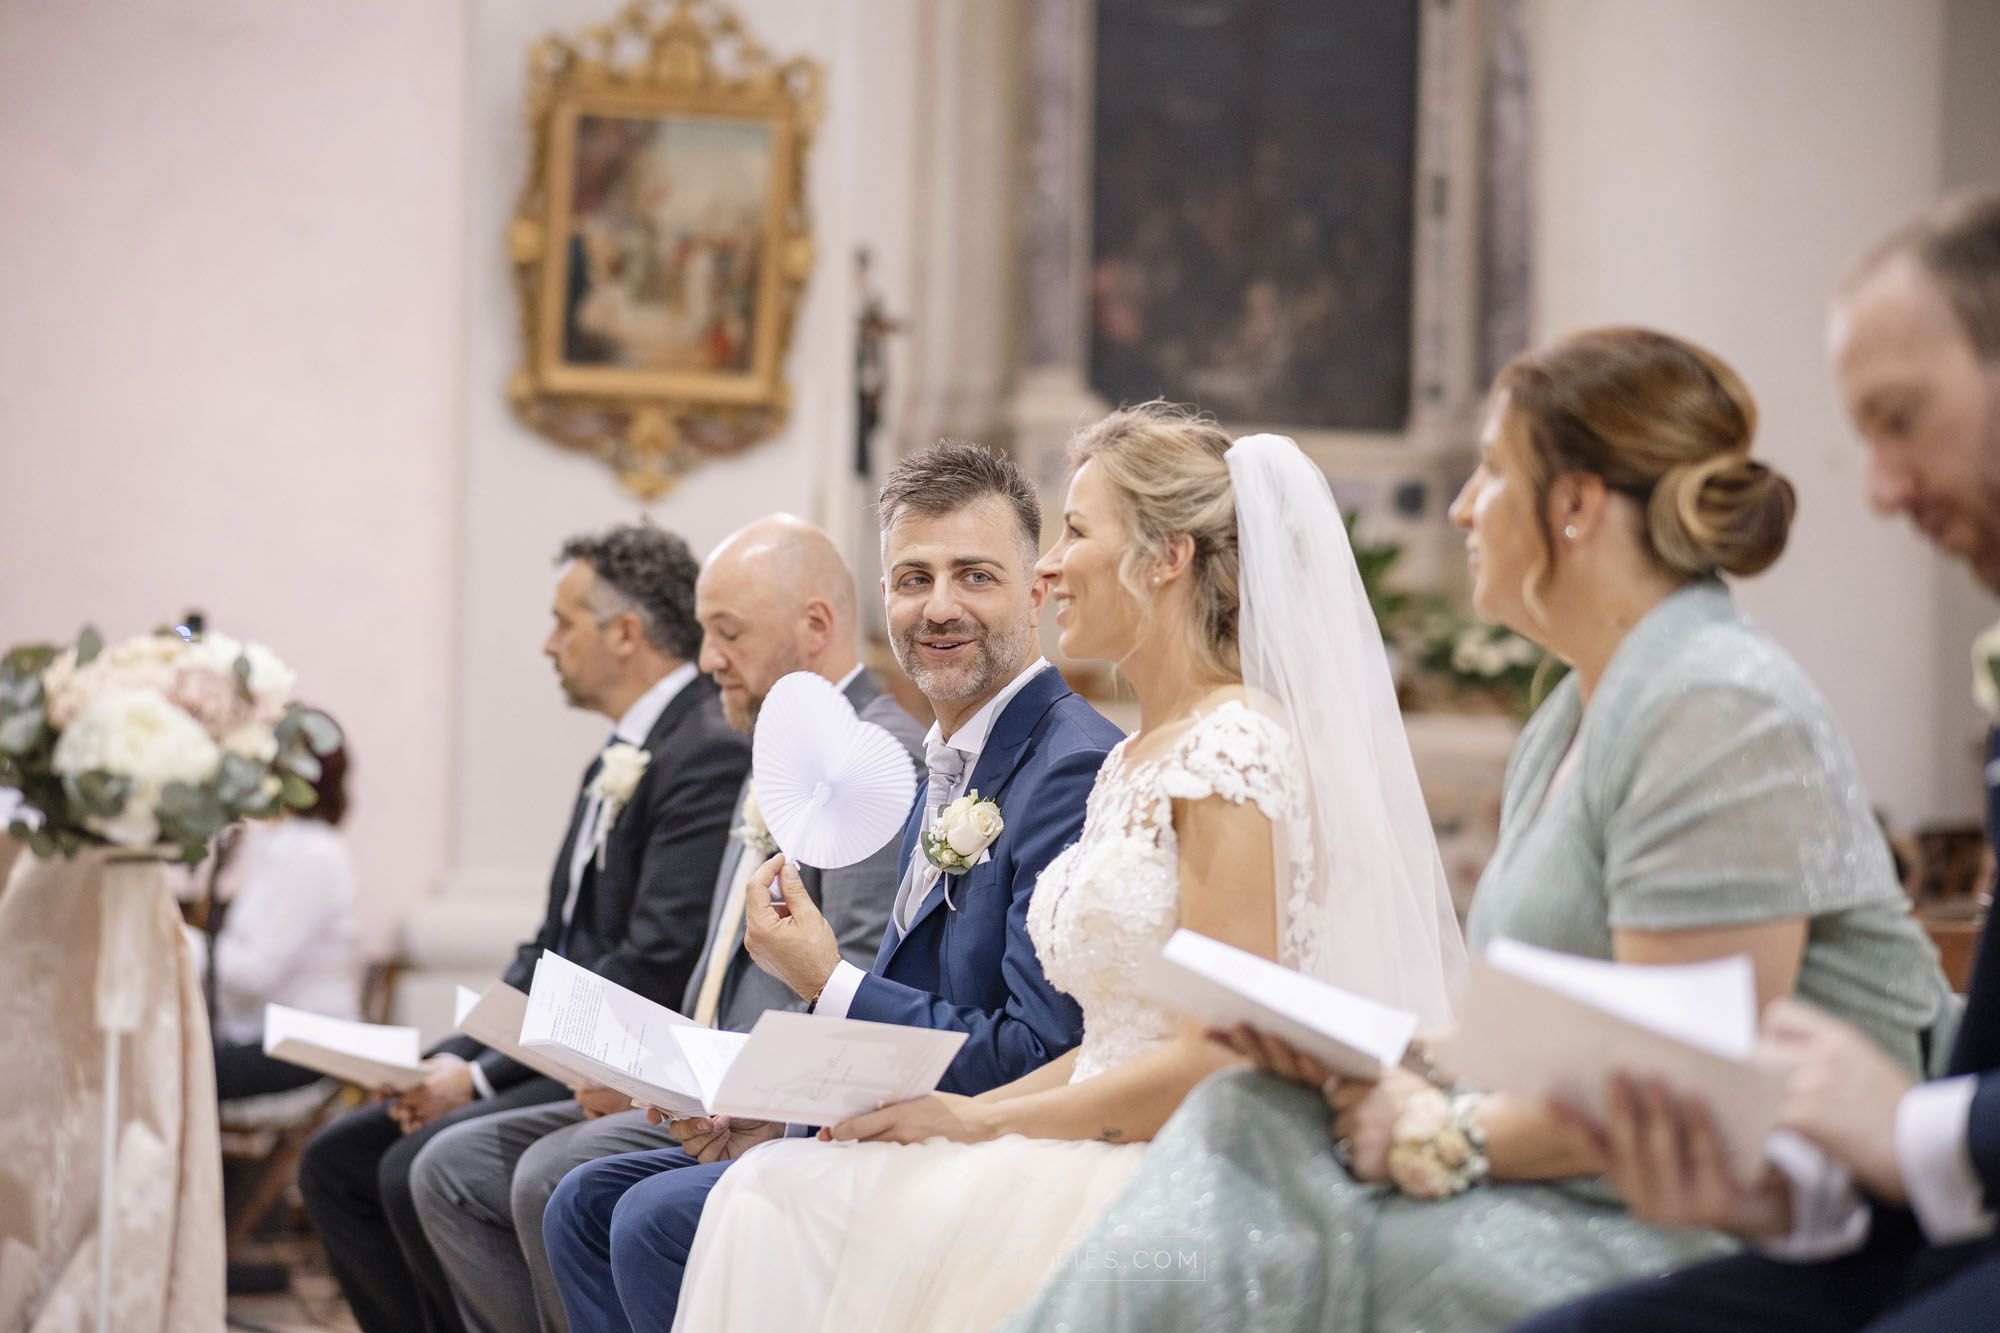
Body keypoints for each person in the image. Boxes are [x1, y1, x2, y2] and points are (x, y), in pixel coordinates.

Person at [1006, 329, 1954, 1333]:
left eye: (1490, 474)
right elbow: (1550, 1038)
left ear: (1575, 505)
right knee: (1248, 1107)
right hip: (1584, 1172)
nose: (1461, 506)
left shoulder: (1713, 702)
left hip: (1730, 1224)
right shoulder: (1570, 710)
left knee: (1267, 1237)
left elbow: (1682, 1096)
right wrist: (1373, 1056)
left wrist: (1443, 1133)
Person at [658, 406, 1465, 1331]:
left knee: (773, 1206)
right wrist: (953, 1115)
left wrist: (978, 1121)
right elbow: (1112, 1037)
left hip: (1170, 1160)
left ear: (1165, 558)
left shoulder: (1232, 752)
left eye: (1076, 531)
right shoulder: (1134, 757)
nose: (1047, 565)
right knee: (771, 1193)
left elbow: (1215, 1055)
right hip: (1079, 1115)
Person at [1517, 194, 2000, 1331]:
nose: (1878, 489)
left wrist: (1913, 1130)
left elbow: (1936, 1121)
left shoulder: (1710, 698)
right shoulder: (1563, 709)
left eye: (1898, 418)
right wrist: (1782, 1194)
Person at [541, 441, 1127, 1331]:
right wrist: (776, 1111)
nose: (938, 606)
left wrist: (826, 977)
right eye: (912, 577)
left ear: (1036, 594)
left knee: (655, 1220)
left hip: (991, 1146)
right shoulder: (947, 760)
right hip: (887, 1118)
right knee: (584, 1200)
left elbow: (1029, 1048)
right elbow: (924, 998)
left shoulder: (1067, 765)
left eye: (974, 575)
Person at [406, 515, 921, 1333]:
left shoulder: (869, 758)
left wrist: (714, 1083)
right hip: (707, 1083)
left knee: (555, 1178)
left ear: (815, 626)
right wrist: (654, 1068)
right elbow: (713, 961)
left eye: (726, 633)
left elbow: (854, 974)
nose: (707, 658)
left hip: (770, 1101)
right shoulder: (776, 741)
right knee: (456, 1166)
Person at [298, 523, 750, 1333]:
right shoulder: (621, 752)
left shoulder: (703, 751)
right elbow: (549, 941)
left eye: (563, 621)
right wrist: (451, 1058)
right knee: (339, 1157)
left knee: (409, 1166)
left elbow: (652, 959)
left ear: (624, 633)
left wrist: (474, 1083)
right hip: (557, 1046)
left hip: (617, 1055)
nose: (548, 644)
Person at [180, 726, 360, 1102]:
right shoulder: (276, 846)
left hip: (308, 1045)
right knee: (169, 1052)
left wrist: (175, 940)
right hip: (264, 1032)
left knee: (173, 1068)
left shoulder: (315, 854)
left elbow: (257, 973)